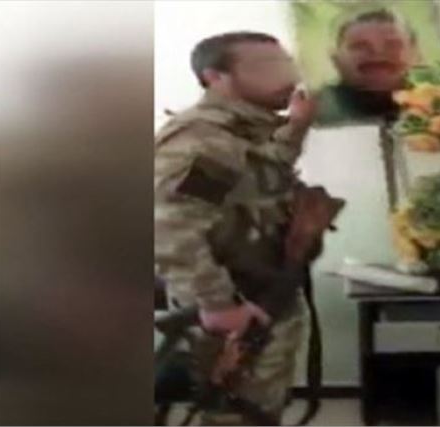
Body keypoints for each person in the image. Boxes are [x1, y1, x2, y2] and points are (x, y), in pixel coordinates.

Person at [154, 31, 341, 425]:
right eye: (267, 66)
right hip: (238, 303)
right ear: (215, 77)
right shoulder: (206, 140)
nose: (287, 76)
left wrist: (297, 127)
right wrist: (217, 305)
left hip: (264, 291)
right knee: (237, 412)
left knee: (255, 409)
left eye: (285, 64)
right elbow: (169, 226)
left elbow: (263, 167)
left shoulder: (239, 131)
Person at [316, 8, 422, 126]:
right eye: (360, 46)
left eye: (392, 45)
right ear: (336, 59)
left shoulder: (436, 107)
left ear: (416, 55)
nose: (377, 54)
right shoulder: (311, 114)